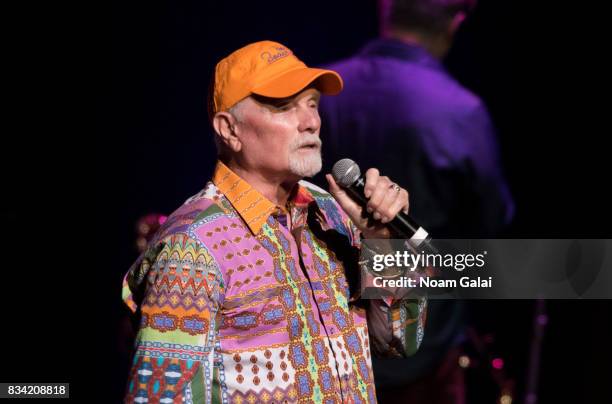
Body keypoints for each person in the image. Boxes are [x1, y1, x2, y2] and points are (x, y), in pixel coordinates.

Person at [121, 40, 426, 403]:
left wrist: (381, 241)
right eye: (284, 106)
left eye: (313, 104)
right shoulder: (193, 248)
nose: (311, 121)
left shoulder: (331, 212)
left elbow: (398, 342)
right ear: (230, 129)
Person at [318, 1, 514, 402]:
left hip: (329, 339)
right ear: (455, 22)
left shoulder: (322, 94)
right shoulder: (459, 110)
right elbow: (493, 224)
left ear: (384, 11)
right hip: (424, 351)